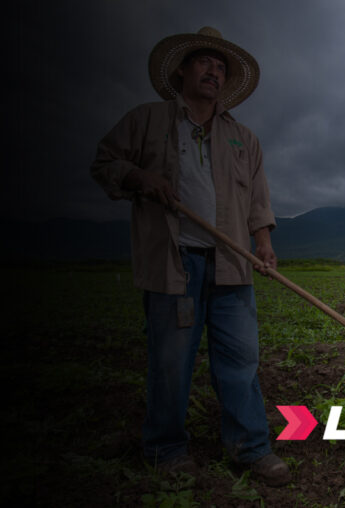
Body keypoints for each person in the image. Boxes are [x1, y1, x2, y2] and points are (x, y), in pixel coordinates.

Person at [91, 27, 289, 486]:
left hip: (233, 263)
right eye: (205, 63)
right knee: (171, 361)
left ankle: (250, 447)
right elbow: (104, 163)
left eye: (220, 68)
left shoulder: (243, 138)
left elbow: (259, 200)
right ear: (182, 69)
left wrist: (263, 243)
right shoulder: (147, 121)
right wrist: (140, 177)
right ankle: (166, 450)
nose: (213, 72)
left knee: (241, 359)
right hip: (175, 262)